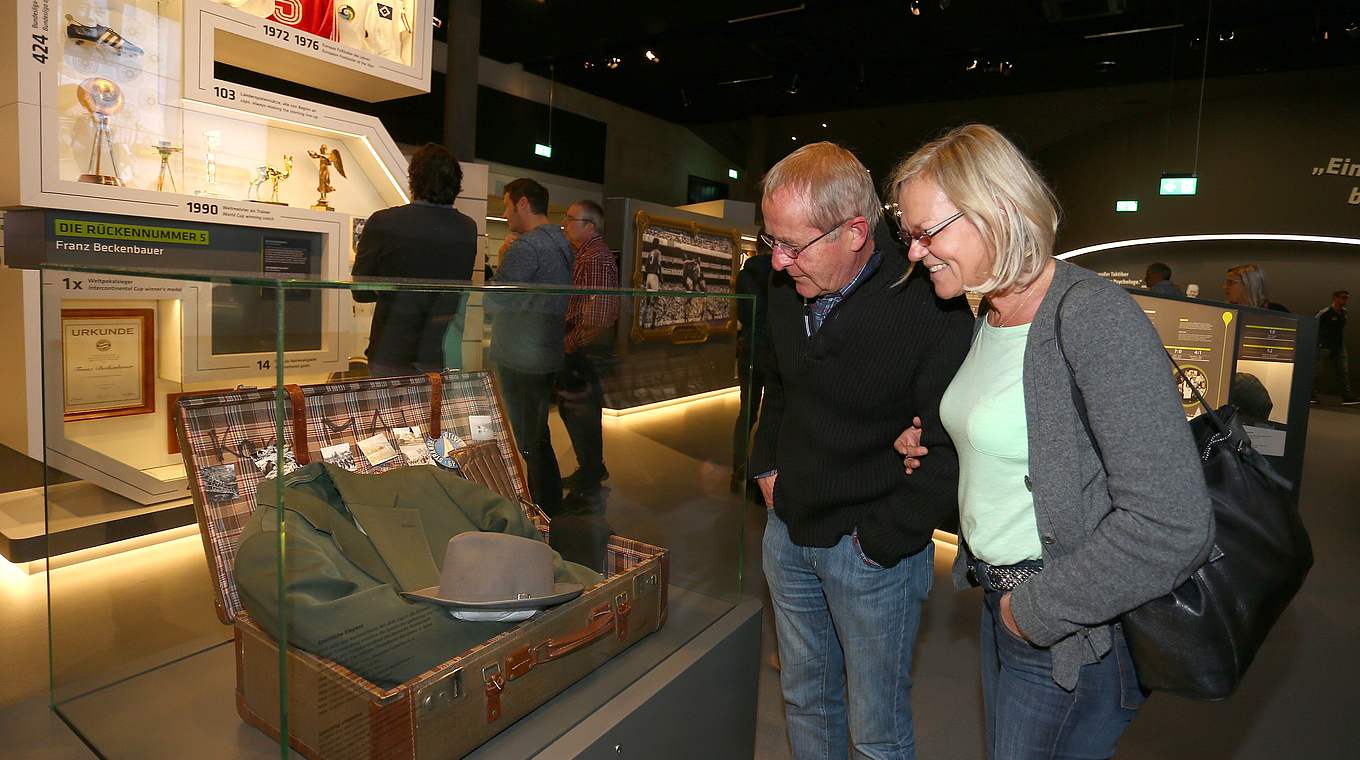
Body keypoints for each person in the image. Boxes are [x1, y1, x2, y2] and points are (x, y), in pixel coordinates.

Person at [891, 124, 1213, 759]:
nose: (915, 251)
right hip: (1007, 604)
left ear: (1000, 213)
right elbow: (1035, 434)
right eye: (910, 236)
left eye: (929, 232)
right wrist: (943, 438)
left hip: (1069, 631)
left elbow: (1174, 523)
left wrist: (1032, 613)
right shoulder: (991, 312)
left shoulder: (1094, 318)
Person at [751, 142, 974, 759]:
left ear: (855, 231)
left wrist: (885, 539)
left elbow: (950, 438)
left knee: (875, 730)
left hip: (869, 550)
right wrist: (764, 465)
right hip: (787, 529)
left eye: (793, 245)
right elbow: (774, 380)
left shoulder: (929, 300)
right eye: (771, 241)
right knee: (804, 699)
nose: (778, 262)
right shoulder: (786, 284)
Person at [487, 178, 574, 516]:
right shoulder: (562, 242)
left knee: (529, 441)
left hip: (519, 355)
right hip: (544, 351)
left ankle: (543, 511)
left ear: (523, 203)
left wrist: (503, 256)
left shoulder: (525, 247)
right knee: (537, 436)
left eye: (507, 206)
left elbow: (496, 304)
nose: (506, 214)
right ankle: (549, 506)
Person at [352, 143, 476, 377]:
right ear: (456, 183)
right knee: (432, 413)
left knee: (387, 414)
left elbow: (360, 290)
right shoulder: (467, 228)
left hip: (390, 351)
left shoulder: (384, 222)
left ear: (413, 179)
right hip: (438, 352)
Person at [558, 200, 620, 492]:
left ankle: (591, 471)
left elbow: (599, 314)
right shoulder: (588, 254)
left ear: (590, 226)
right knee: (578, 410)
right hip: (582, 348)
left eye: (571, 219)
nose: (565, 224)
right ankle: (591, 468)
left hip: (584, 350)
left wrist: (571, 344)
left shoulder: (594, 257)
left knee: (580, 410)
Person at [731, 245, 773, 493]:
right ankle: (759, 472)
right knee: (768, 416)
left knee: (746, 413)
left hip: (749, 350)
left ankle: (737, 469)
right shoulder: (779, 274)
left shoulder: (745, 276)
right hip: (771, 351)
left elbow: (745, 316)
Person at [1315, 289, 1358, 405]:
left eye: (1346, 298)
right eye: (1343, 297)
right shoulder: (1325, 313)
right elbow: (1314, 325)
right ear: (1335, 298)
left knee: (1343, 371)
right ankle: (1310, 395)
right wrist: (1318, 342)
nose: (1345, 300)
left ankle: (1347, 396)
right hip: (1324, 346)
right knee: (1317, 371)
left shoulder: (1344, 313)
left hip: (1338, 347)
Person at [1224, 264, 1289, 311]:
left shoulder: (1277, 312)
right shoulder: (1226, 311)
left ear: (1249, 285)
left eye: (1230, 282)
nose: (1224, 287)